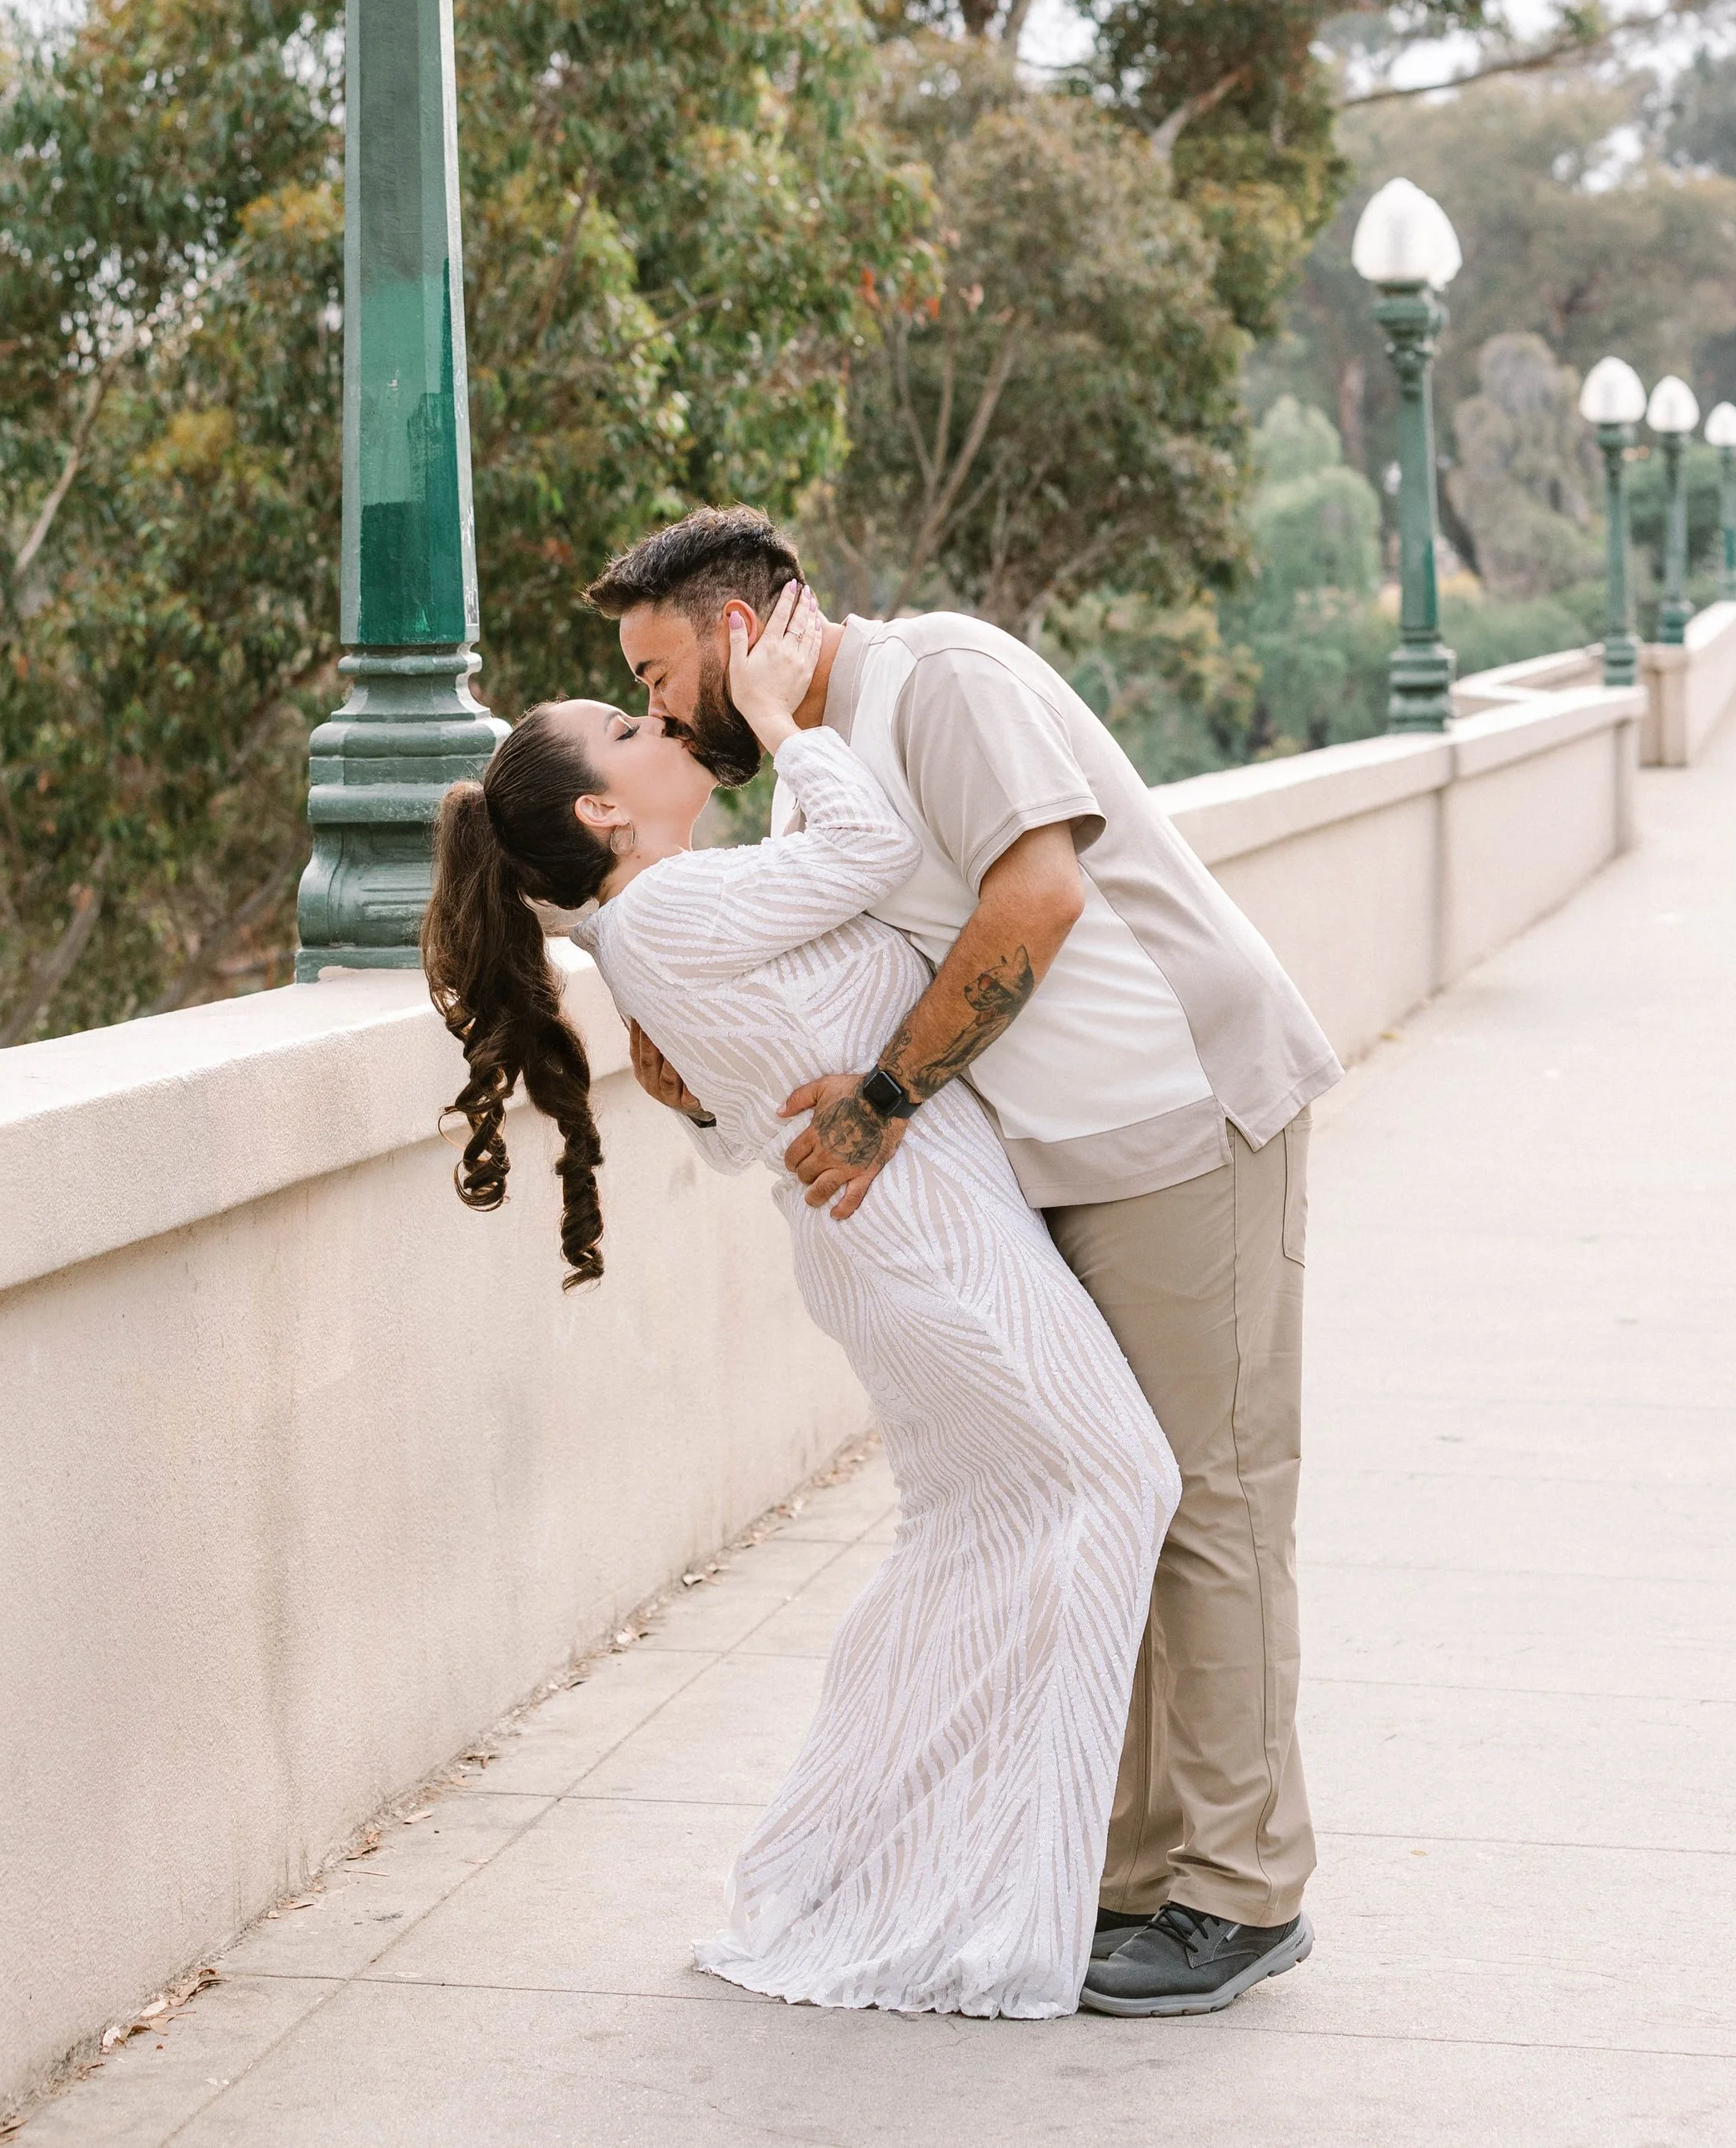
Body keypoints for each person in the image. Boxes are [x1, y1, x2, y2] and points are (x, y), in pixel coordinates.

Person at [591, 508, 1344, 2020]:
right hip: (1052, 1155)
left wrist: (880, 1104)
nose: (662, 712)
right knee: (1111, 1498)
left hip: (1179, 1116)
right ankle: (1133, 1873)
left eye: (661, 676)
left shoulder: (942, 680)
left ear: (745, 632)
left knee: (1209, 1504)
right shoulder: (820, 787)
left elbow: (1038, 898)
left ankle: (1240, 1892)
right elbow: (821, 965)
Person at [421, 581, 1178, 2021]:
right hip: (929, 1245)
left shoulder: (660, 931)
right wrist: (777, 713)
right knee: (1112, 1486)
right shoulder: (674, 912)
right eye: (622, 722)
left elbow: (729, 1117)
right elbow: (876, 848)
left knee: (978, 1541)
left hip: (900, 1245)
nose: (652, 718)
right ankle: (978, 1884)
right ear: (601, 814)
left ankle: (881, 1859)